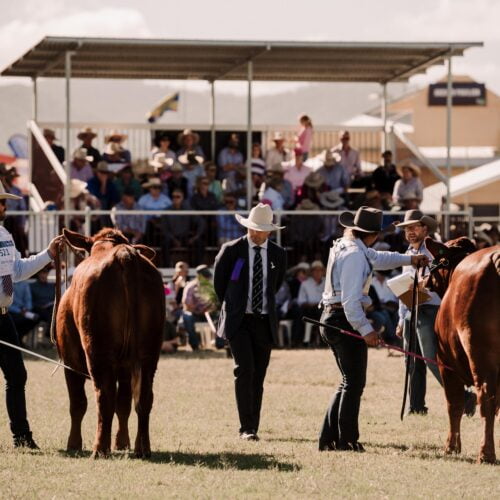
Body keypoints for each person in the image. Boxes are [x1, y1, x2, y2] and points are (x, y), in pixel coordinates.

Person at [318, 206, 429, 452]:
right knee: (354, 383)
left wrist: (409, 259)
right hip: (342, 318)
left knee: (348, 381)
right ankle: (346, 440)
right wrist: (366, 329)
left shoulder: (350, 248)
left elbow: (380, 258)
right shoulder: (356, 255)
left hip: (333, 317)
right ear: (373, 234)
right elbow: (350, 301)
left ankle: (329, 439)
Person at [214, 203, 286, 441]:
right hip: (239, 320)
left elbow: (275, 285)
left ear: (270, 231)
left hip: (264, 322)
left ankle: (253, 424)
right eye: (253, 228)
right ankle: (246, 428)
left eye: (261, 230)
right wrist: (234, 305)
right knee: (244, 370)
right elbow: (219, 285)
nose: (256, 234)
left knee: (259, 376)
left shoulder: (278, 254)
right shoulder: (231, 250)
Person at [0, 182, 63, 449]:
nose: (4, 207)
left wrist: (47, 254)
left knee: (17, 375)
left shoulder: (4, 234)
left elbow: (17, 271)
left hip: (3, 317)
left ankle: (22, 437)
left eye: (4, 202)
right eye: (0, 202)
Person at [394, 209, 476, 416]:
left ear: (424, 228)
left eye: (414, 227)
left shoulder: (436, 250)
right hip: (411, 310)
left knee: (433, 360)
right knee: (411, 360)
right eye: (406, 229)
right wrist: (401, 319)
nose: (410, 232)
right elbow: (404, 289)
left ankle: (464, 397)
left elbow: (446, 277)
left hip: (432, 309)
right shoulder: (408, 254)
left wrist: (426, 285)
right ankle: (416, 406)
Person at [162, 189, 206, 266]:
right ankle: (167, 266)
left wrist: (195, 237)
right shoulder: (166, 210)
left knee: (199, 243)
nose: (175, 198)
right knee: (165, 243)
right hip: (172, 238)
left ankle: (195, 267)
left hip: (185, 237)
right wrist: (174, 239)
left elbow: (201, 222)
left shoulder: (188, 209)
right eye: (173, 196)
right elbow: (164, 229)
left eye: (178, 197)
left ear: (182, 198)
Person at [182, 265, 215, 351]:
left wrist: (211, 308)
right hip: (194, 313)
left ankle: (220, 343)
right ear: (199, 276)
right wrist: (197, 311)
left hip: (209, 313)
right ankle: (195, 345)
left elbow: (215, 302)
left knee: (221, 316)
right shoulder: (190, 286)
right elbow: (186, 304)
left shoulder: (211, 286)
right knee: (187, 317)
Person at [297, 260, 325, 345]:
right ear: (311, 272)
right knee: (299, 313)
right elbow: (301, 301)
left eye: (319, 270)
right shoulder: (305, 284)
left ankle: (324, 341)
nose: (317, 272)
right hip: (309, 309)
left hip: (324, 309)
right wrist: (311, 304)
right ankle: (301, 341)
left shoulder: (327, 282)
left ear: (322, 271)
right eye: (315, 270)